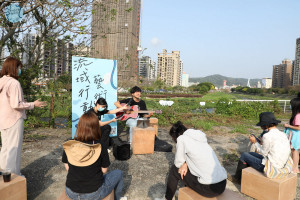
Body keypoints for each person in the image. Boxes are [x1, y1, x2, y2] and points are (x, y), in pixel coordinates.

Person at [62, 112, 126, 200]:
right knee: (118, 173)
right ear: (96, 128)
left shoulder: (70, 144)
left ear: (79, 126)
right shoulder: (100, 145)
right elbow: (104, 170)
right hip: (93, 194)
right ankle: (118, 198)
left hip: (71, 192)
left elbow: (67, 168)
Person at [0, 56, 47, 175]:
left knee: (6, 148)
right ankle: (14, 176)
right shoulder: (14, 83)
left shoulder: (2, 81)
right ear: (13, 68)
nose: (20, 70)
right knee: (14, 149)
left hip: (3, 120)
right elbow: (16, 104)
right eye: (19, 68)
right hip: (14, 119)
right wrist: (33, 104)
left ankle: (3, 173)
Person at [159, 121, 227, 200]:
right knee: (190, 168)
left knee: (175, 170)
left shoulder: (182, 139)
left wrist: (184, 164)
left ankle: (167, 198)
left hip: (209, 189)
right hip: (222, 185)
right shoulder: (200, 138)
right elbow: (198, 157)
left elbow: (178, 163)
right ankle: (187, 191)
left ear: (175, 136)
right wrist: (186, 163)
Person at [229, 112, 291, 183]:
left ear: (265, 125)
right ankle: (245, 176)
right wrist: (258, 142)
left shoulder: (267, 136)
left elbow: (263, 153)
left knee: (244, 155)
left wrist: (255, 142)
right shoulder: (282, 134)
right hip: (281, 164)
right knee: (251, 154)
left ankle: (237, 179)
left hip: (271, 167)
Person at [284, 97, 300, 173]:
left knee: (294, 151)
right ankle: (295, 167)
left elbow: (298, 128)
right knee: (295, 151)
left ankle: (295, 168)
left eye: (291, 105)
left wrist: (288, 126)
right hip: (295, 136)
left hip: (295, 137)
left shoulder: (297, 116)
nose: (290, 106)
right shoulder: (297, 115)